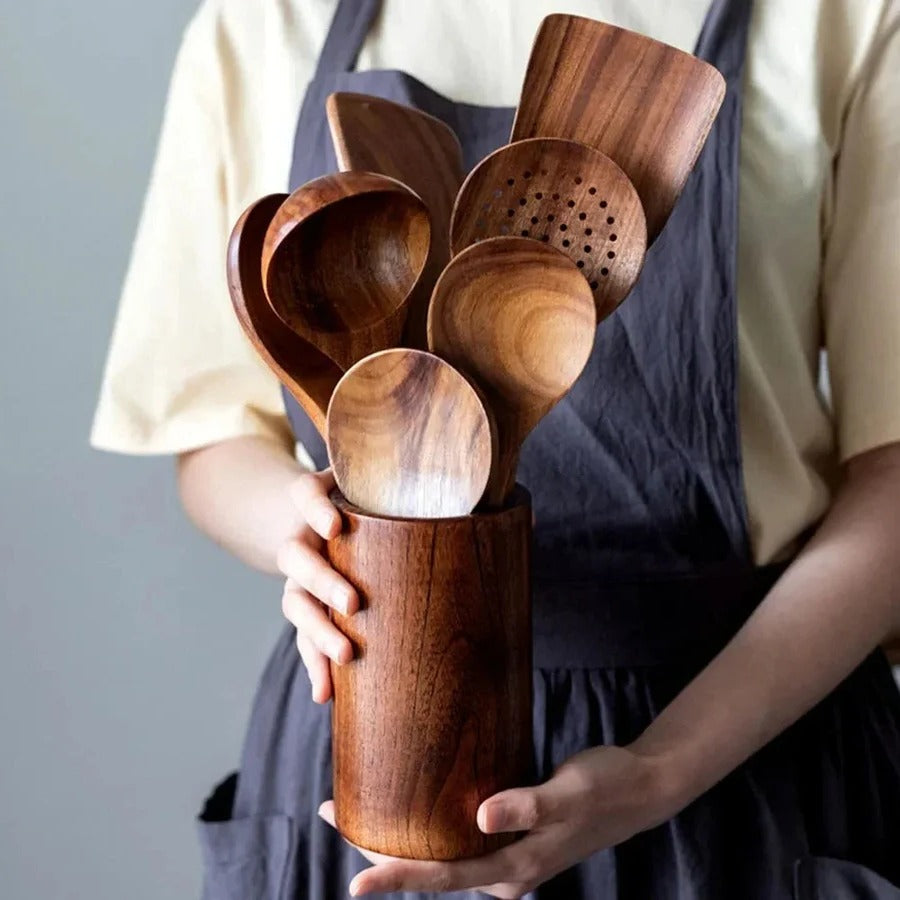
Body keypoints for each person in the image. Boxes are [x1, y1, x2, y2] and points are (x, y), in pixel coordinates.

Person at [92, 0, 900, 897]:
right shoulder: (261, 21)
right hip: (374, 734)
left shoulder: (843, 17)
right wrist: (304, 522)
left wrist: (665, 768)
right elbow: (212, 438)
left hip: (744, 751)